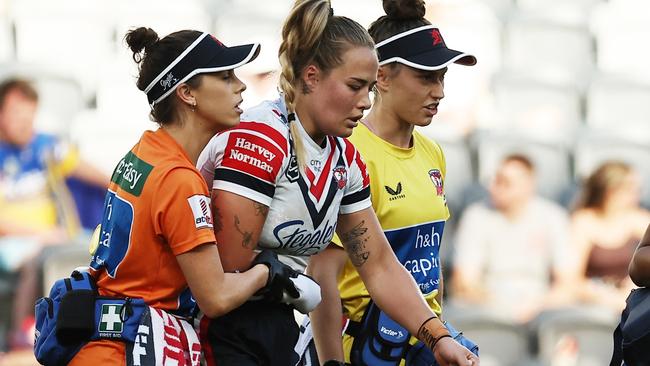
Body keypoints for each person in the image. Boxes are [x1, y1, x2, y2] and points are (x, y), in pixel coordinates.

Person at [196, 1, 479, 365]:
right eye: (355, 86)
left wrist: (437, 337)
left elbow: (377, 263)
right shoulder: (260, 141)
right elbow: (227, 279)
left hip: (279, 323)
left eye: (367, 89)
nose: (364, 102)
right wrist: (276, 275)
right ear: (311, 77)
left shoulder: (344, 156)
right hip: (220, 328)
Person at [53, 27, 295, 365]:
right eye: (225, 77)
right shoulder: (179, 179)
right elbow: (216, 297)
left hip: (107, 340)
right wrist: (268, 273)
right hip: (130, 350)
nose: (240, 86)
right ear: (186, 93)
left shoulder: (143, 153)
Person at [304, 1, 479, 365]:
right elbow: (322, 273)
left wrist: (440, 333)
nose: (440, 92)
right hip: (367, 349)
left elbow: (429, 262)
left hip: (425, 345)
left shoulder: (433, 154)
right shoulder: (350, 154)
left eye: (442, 77)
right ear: (382, 76)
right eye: (426, 77)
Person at [0, 78, 110, 349]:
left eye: (29, 114)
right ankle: (22, 335)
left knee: (100, 251)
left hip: (55, 236)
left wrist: (122, 186)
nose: (24, 122)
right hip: (13, 240)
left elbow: (89, 171)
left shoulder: (46, 146)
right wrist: (41, 235)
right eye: (16, 114)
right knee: (34, 259)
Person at [452, 154, 575, 323]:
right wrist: (503, 308)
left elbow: (567, 283)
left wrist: (536, 306)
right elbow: (465, 282)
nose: (494, 187)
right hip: (487, 307)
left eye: (505, 182)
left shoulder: (553, 217)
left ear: (528, 186)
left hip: (540, 307)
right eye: (495, 180)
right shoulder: (476, 216)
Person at [569, 161, 650, 311]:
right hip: (592, 301)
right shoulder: (583, 221)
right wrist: (603, 296)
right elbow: (571, 279)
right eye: (630, 189)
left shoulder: (638, 219)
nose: (636, 195)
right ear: (610, 190)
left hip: (628, 297)